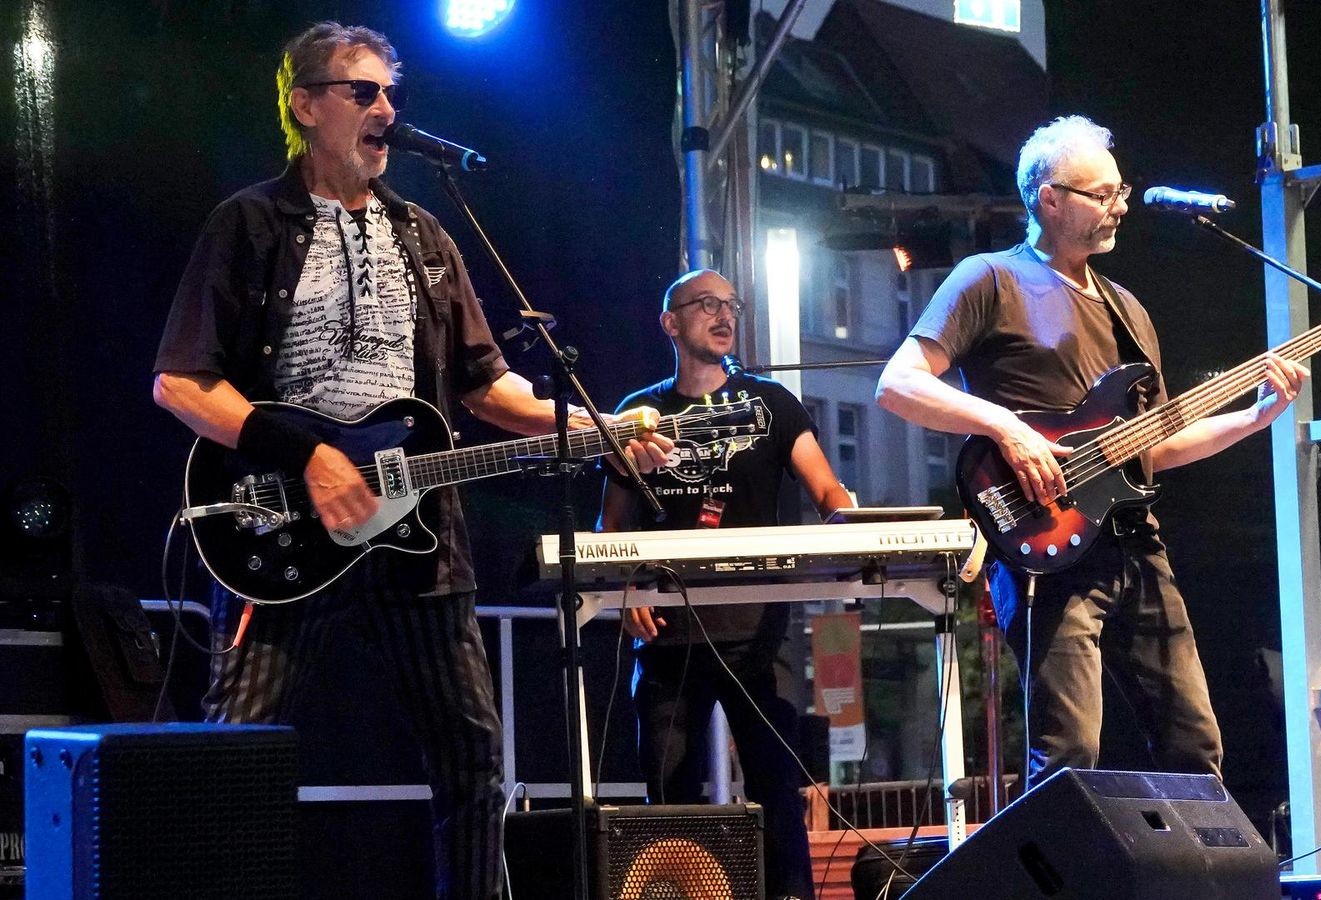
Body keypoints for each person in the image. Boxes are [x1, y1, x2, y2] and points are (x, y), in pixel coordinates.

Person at [151, 23, 669, 899]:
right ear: (305, 105)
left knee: (472, 755)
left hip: (418, 534)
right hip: (280, 525)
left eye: (392, 93)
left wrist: (599, 428)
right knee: (235, 749)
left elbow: (488, 387)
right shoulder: (250, 223)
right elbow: (180, 382)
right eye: (363, 92)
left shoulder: (425, 235)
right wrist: (311, 454)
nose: (387, 110)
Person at [875, 115, 1308, 786]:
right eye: (1102, 194)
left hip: (1136, 544)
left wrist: (1254, 419)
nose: (1120, 207)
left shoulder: (1126, 309)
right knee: (1069, 751)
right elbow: (897, 385)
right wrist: (1007, 428)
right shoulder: (990, 279)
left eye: (1121, 192)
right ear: (1049, 199)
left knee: (1195, 745)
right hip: (1043, 540)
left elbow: (1156, 445)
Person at [597, 269, 852, 900]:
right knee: (670, 798)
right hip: (667, 634)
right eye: (706, 304)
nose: (724, 315)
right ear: (670, 322)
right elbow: (611, 526)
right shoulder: (638, 415)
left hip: (758, 629)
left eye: (731, 304)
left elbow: (826, 489)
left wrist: (857, 529)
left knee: (776, 787)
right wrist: (627, 588)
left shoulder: (772, 403)